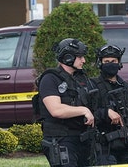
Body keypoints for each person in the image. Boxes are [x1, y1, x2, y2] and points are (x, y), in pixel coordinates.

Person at [37, 38, 97, 167]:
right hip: (61, 139)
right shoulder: (50, 78)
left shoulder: (81, 79)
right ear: (68, 57)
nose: (84, 60)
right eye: (80, 57)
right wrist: (84, 110)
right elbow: (56, 110)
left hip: (82, 138)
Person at [91, 44, 128, 164]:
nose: (110, 64)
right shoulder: (93, 86)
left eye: (113, 61)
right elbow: (87, 114)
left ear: (119, 63)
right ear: (100, 63)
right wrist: (106, 112)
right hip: (104, 147)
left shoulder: (126, 87)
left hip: (126, 145)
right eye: (106, 61)